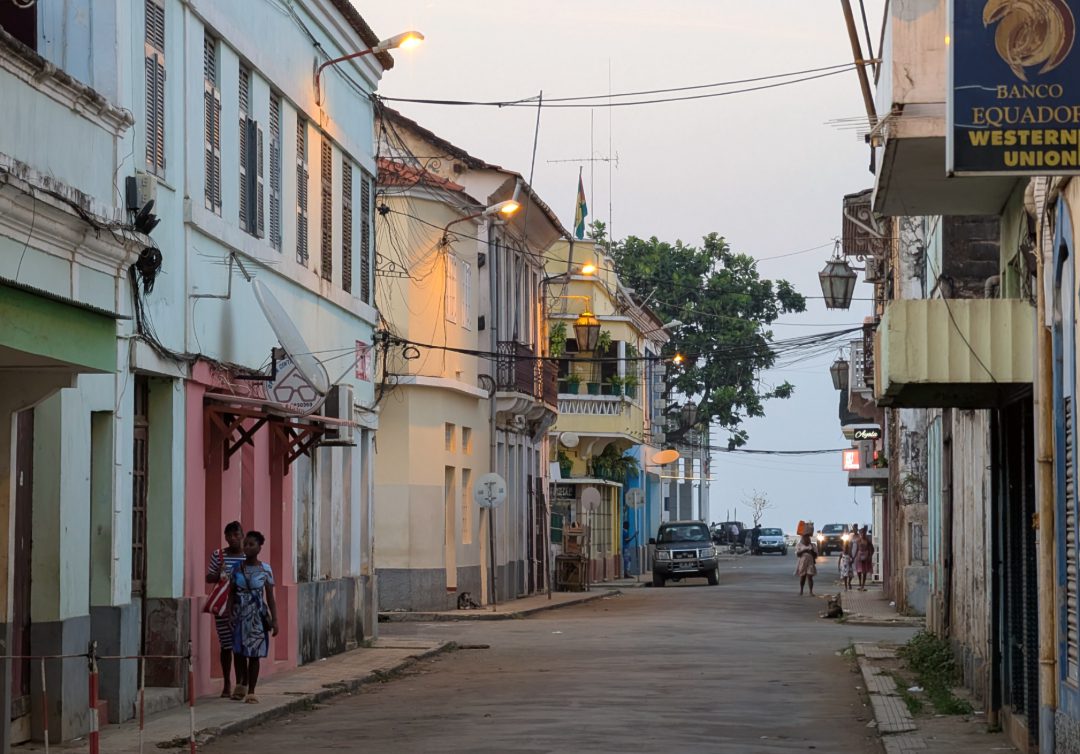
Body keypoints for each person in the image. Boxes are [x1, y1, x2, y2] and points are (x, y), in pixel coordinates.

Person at [229, 531, 278, 703]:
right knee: (239, 652)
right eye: (246, 544)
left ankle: (251, 690)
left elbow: (270, 597)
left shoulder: (265, 569)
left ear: (259, 547)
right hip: (239, 615)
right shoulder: (236, 568)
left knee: (254, 654)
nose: (247, 547)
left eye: (252, 544)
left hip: (257, 617)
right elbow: (231, 593)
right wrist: (229, 614)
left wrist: (275, 620)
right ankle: (240, 684)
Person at [206, 521, 246, 698]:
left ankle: (240, 683)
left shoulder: (247, 556)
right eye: (229, 536)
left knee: (240, 646)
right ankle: (227, 683)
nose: (233, 539)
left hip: (242, 606)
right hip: (223, 607)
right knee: (226, 645)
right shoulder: (219, 555)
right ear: (225, 537)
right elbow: (209, 577)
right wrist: (219, 573)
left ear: (242, 535)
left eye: (236, 535)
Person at [854, 526, 875, 591]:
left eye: (863, 533)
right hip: (859, 557)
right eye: (861, 533)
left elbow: (872, 549)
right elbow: (857, 549)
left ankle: (863, 585)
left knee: (864, 571)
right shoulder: (858, 541)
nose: (862, 534)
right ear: (860, 533)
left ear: (865, 533)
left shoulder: (868, 541)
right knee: (859, 571)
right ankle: (860, 584)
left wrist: (870, 555)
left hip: (866, 557)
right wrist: (854, 557)